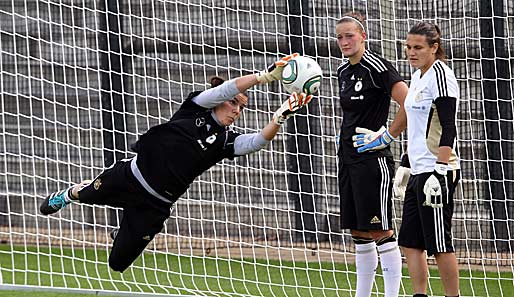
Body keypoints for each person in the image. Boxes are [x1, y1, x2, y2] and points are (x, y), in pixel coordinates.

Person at [39, 53, 313, 273]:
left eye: (241, 108)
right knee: (85, 195)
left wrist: (280, 117)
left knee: (117, 264)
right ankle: (68, 194)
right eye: (233, 103)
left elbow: (256, 143)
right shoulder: (194, 107)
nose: (236, 110)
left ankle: (123, 232)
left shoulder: (225, 142)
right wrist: (264, 77)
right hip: (130, 176)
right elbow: (228, 87)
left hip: (156, 204)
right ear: (219, 100)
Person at [335, 11, 409, 297]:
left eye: (349, 35)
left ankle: (392, 293)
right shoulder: (343, 71)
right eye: (340, 37)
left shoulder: (376, 65)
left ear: (363, 36)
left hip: (372, 160)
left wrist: (387, 136)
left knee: (380, 230)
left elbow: (409, 101)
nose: (344, 41)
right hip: (348, 158)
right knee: (358, 231)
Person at [395, 22, 461, 297]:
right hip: (418, 170)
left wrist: (440, 170)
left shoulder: (441, 76)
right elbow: (419, 127)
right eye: (408, 47)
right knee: (410, 241)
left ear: (434, 48)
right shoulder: (418, 76)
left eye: (418, 47)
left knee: (439, 243)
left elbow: (449, 127)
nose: (411, 52)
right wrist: (406, 162)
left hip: (437, 172)